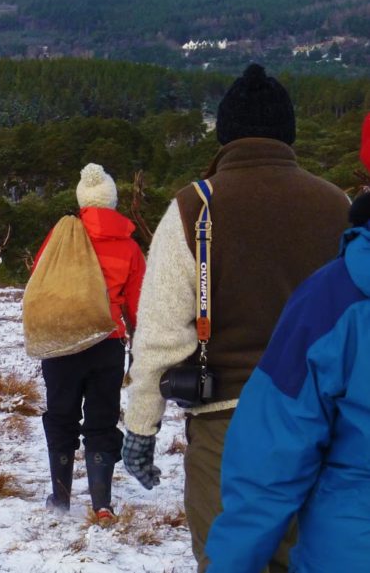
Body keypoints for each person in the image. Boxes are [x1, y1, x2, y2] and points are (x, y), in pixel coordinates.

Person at [120, 64, 350, 573]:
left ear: (225, 135)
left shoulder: (193, 208)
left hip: (228, 425)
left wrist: (141, 427)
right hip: (326, 425)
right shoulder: (338, 206)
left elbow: (159, 337)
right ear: (287, 134)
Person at [203, 117, 370, 572]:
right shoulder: (330, 199)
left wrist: (141, 416)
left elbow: (269, 467)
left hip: (349, 545)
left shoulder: (195, 205)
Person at [33, 162, 145, 520]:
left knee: (62, 418)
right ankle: (101, 504)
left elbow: (40, 275)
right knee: (101, 420)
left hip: (63, 343)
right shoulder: (129, 247)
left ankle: (62, 499)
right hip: (108, 343)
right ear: (111, 201)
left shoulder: (63, 236)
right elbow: (138, 302)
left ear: (82, 200)